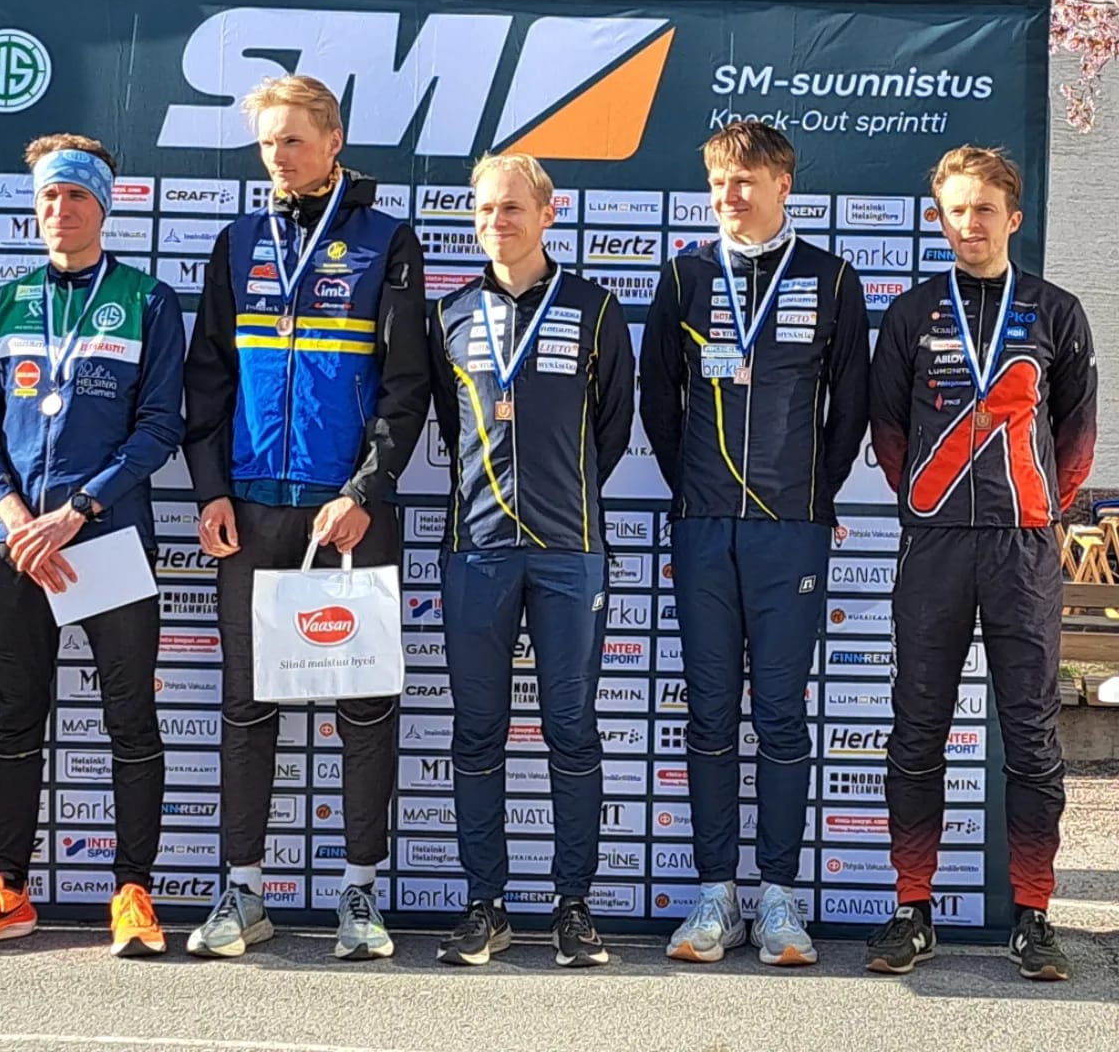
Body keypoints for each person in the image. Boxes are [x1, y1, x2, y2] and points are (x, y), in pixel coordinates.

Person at [183, 74, 429, 960]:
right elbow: (207, 378)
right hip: (252, 507)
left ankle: (360, 891)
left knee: (364, 704)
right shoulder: (238, 240)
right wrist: (210, 489)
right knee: (248, 705)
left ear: (333, 142)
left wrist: (365, 490)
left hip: (349, 511)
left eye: (292, 140)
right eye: (266, 143)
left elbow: (406, 387)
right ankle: (243, 890)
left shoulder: (386, 241)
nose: (278, 157)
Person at [0, 134, 185, 957]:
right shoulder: (6, 302)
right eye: (48, 195)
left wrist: (75, 511)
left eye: (76, 196)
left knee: (130, 718)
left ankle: (133, 891)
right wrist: (15, 515)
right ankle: (6, 887)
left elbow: (159, 429)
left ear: (102, 207)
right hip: (18, 546)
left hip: (106, 538)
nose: (60, 209)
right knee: (17, 716)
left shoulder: (148, 301)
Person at [639, 122, 869, 967]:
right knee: (708, 712)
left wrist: (813, 498)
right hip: (704, 528)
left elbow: (850, 406)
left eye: (744, 181)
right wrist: (694, 492)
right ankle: (715, 896)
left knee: (779, 715)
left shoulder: (832, 278)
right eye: (718, 183)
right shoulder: (685, 275)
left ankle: (777, 897)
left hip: (790, 532)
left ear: (782, 185)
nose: (729, 197)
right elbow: (657, 400)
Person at [864, 146, 1096, 982]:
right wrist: (932, 506)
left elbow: (1076, 436)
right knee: (918, 730)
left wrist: (1031, 512)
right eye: (956, 210)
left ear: (1013, 218)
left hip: (1021, 549)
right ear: (940, 219)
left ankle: (1033, 914)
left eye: (984, 209)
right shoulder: (911, 313)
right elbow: (889, 433)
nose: (970, 223)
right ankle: (911, 908)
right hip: (935, 546)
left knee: (1030, 735)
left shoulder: (1056, 310)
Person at [428, 153, 634, 968]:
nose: (497, 222)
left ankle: (573, 905)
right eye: (484, 210)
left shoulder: (594, 308)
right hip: (477, 549)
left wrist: (560, 490)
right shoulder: (449, 313)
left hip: (568, 549)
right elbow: (450, 426)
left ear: (549, 214)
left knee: (571, 730)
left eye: (512, 208)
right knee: (477, 732)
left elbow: (613, 427)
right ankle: (486, 903)